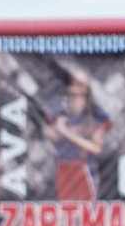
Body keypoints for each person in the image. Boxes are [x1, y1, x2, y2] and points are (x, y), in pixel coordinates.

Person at [48, 67, 112, 201]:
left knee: (86, 209)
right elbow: (54, 140)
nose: (74, 86)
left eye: (79, 83)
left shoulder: (95, 114)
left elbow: (96, 148)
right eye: (72, 81)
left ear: (86, 87)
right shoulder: (60, 112)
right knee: (67, 209)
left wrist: (66, 132)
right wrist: (54, 132)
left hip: (83, 167)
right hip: (63, 166)